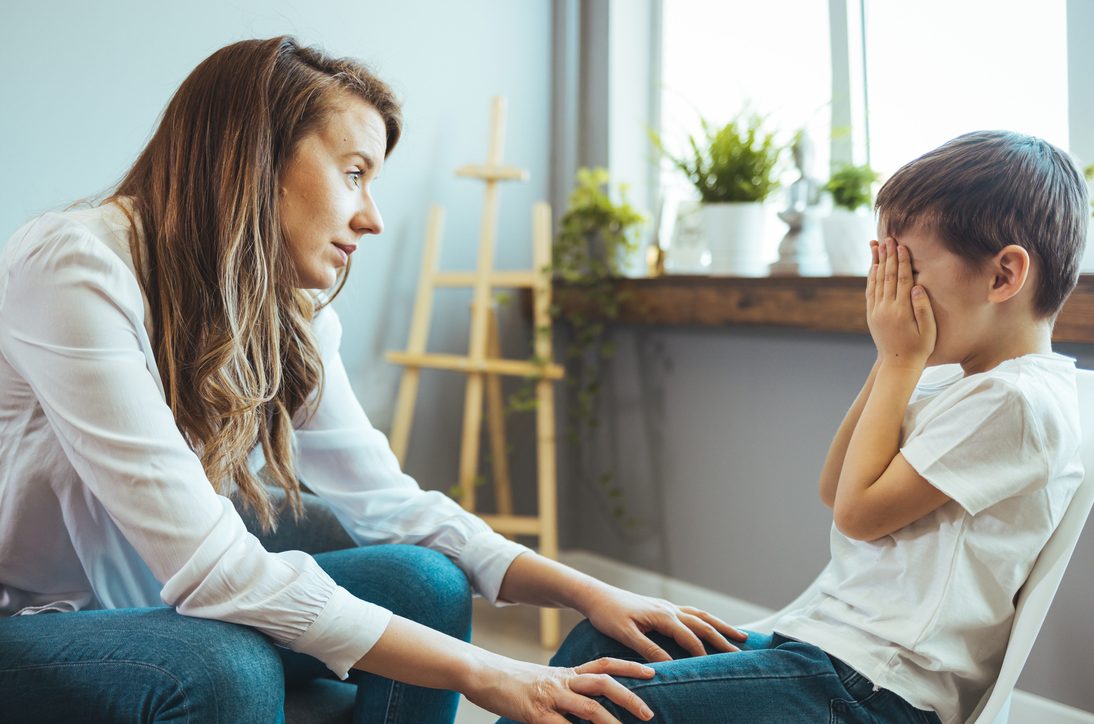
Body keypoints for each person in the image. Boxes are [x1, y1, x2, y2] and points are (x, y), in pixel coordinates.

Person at [0, 36, 746, 724]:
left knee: (428, 583)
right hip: (35, 621)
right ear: (251, 157)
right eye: (354, 174)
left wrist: (590, 590)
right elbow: (216, 573)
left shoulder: (287, 315)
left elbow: (392, 506)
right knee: (227, 668)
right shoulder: (73, 266)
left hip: (148, 599)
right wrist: (491, 673)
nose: (373, 219)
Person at [528, 130, 1088, 724]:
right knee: (603, 644)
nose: (890, 292)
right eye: (883, 267)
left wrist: (901, 360)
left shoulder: (1018, 401)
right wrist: (891, 359)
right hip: (825, 654)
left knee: (588, 701)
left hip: (878, 691)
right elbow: (835, 486)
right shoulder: (955, 379)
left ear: (1003, 276)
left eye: (908, 268)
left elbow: (857, 512)